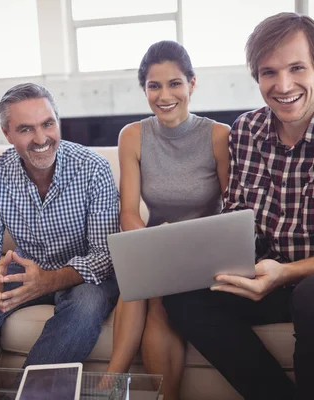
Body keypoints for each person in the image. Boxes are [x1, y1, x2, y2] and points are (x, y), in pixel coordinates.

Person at [162, 12, 314, 400]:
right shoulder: (246, 131)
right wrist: (195, 249)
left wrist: (289, 273)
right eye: (268, 72)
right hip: (271, 275)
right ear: (256, 77)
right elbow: (240, 217)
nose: (283, 85)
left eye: (297, 68)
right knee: (183, 296)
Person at [0, 83, 120, 367]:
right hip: (25, 271)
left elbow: (104, 257)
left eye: (48, 124)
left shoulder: (93, 168)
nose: (41, 138)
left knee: (88, 303)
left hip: (83, 278)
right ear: (7, 133)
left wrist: (47, 281)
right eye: (25, 129)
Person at [106, 40, 230, 399]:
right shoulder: (132, 136)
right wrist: (150, 243)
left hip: (204, 249)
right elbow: (128, 211)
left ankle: (120, 384)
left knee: (158, 294)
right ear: (144, 89)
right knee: (139, 284)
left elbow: (234, 206)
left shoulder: (219, 135)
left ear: (192, 84)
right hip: (154, 243)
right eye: (154, 86)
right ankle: (114, 381)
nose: (164, 95)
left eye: (174, 83)